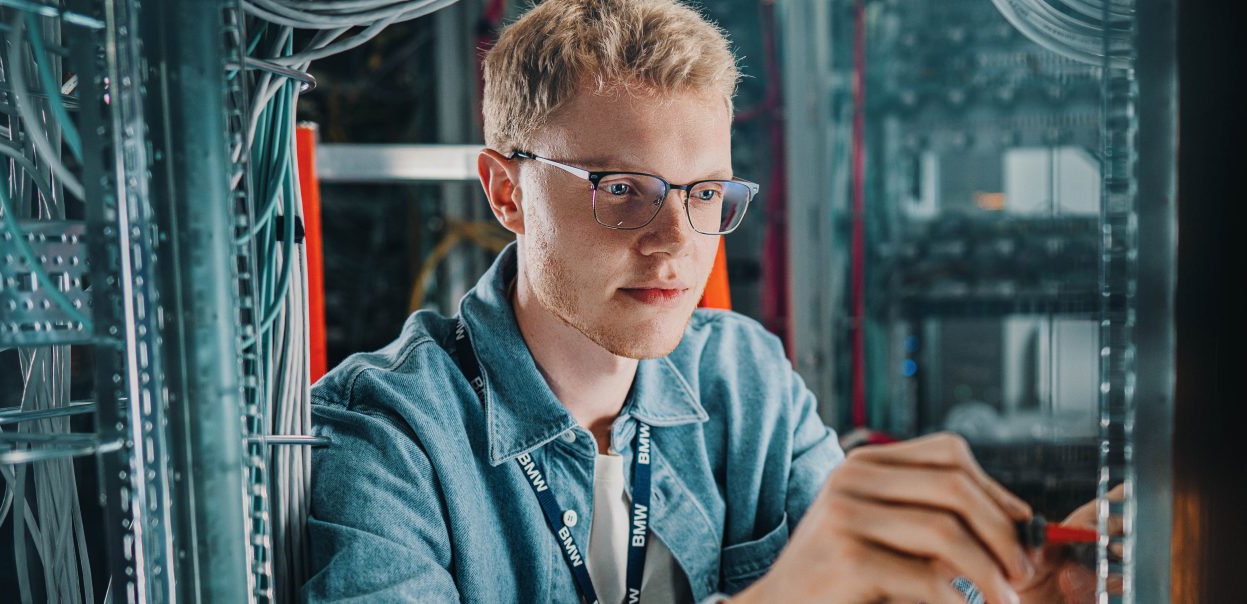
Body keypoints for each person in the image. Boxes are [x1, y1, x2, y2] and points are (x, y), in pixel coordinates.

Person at [303, 1, 1117, 602]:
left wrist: (1026, 589)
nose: (675, 242)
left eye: (705, 194)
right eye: (621, 190)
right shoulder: (385, 439)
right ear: (506, 192)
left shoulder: (744, 379)